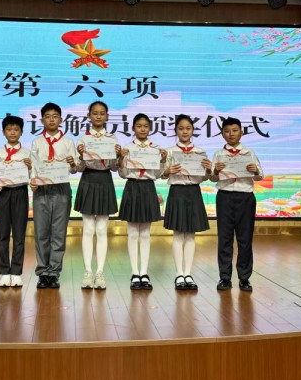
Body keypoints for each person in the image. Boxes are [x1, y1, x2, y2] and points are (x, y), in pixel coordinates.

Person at [211, 117, 263, 293]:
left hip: (245, 197)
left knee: (245, 239)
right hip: (224, 197)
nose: (231, 134)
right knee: (224, 239)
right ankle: (225, 278)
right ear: (222, 134)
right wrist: (215, 170)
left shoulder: (249, 153)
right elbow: (212, 178)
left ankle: (244, 278)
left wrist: (255, 171)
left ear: (241, 132)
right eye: (227, 131)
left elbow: (260, 176)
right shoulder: (219, 154)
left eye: (235, 130)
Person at [29, 103, 78, 289]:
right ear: (42, 120)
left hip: (61, 188)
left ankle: (54, 272)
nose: (51, 119)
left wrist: (72, 163)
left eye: (55, 116)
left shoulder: (68, 142)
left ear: (61, 119)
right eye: (48, 116)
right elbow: (33, 167)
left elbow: (74, 169)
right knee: (41, 232)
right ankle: (43, 272)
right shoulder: (37, 142)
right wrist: (32, 181)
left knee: (58, 232)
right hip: (42, 189)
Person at [118, 113, 167, 291]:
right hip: (132, 187)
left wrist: (162, 161)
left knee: (145, 233)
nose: (142, 129)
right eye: (139, 126)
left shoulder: (156, 149)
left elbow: (158, 174)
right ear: (133, 128)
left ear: (150, 128)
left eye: (146, 126)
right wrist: (120, 159)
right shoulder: (127, 148)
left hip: (148, 188)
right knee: (132, 233)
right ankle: (134, 273)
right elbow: (123, 174)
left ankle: (144, 273)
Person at [162, 114, 212, 291]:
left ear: (193, 130)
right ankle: (179, 274)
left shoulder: (200, 152)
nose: (184, 132)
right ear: (176, 130)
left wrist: (208, 170)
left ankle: (188, 274)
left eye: (188, 128)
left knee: (190, 235)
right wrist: (168, 170)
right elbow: (162, 174)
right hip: (177, 192)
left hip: (193, 192)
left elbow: (205, 177)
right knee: (177, 235)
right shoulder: (169, 151)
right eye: (181, 128)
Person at [75, 101, 121, 290]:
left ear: (107, 116)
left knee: (102, 229)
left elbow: (115, 168)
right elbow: (78, 168)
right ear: (89, 116)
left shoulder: (112, 138)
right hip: (88, 179)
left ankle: (100, 272)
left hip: (105, 180)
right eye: (95, 113)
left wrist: (118, 156)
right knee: (88, 229)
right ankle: (87, 272)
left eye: (102, 113)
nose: (98, 116)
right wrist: (80, 156)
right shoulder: (83, 139)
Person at [0, 116, 32, 288]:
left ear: (21, 132)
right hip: (3, 194)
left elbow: (34, 175)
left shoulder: (27, 153)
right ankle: (4, 272)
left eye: (16, 129)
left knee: (19, 234)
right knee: (2, 234)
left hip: (20, 192)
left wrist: (30, 167)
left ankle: (16, 272)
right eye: (9, 129)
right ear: (3, 132)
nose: (13, 132)